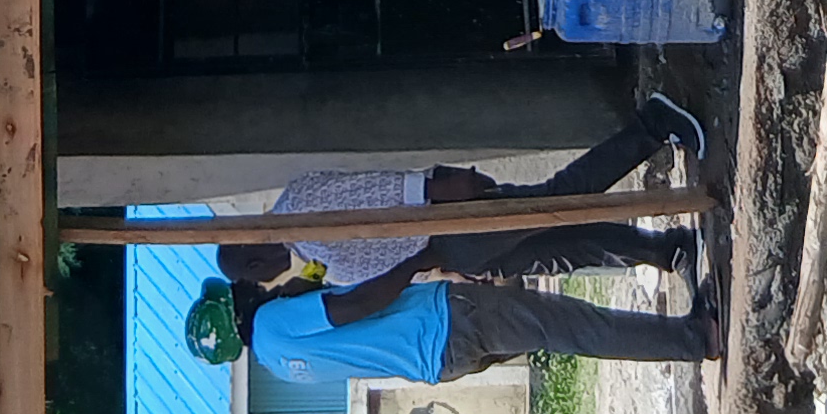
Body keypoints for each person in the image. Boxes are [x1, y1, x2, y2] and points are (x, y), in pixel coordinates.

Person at [211, 98, 707, 295]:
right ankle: (665, 250)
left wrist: (442, 189)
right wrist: (447, 270)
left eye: (258, 278)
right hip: (446, 249)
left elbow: (374, 190)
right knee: (557, 250)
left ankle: (652, 125)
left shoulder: (299, 213)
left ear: (255, 262)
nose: (269, 283)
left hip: (445, 216)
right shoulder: (309, 252)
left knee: (559, 200)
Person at [193, 266, 722, 384]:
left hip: (440, 362)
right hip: (446, 321)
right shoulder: (272, 322)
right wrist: (414, 262)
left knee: (564, 332)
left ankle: (689, 336)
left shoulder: (277, 364)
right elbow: (353, 307)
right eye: (239, 292)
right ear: (236, 313)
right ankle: (696, 338)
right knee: (573, 325)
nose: (249, 285)